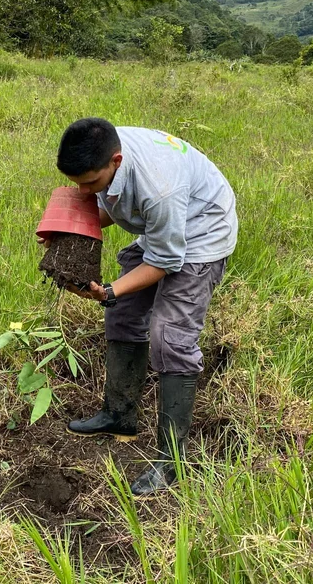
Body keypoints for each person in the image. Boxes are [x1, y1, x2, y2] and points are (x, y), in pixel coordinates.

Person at [50, 117, 237, 495]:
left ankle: (172, 462)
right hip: (163, 227)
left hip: (200, 231)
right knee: (123, 315)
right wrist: (67, 227)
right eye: (77, 183)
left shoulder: (158, 187)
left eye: (89, 183)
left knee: (170, 339)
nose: (83, 191)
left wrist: (111, 289)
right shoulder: (105, 150)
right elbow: (110, 208)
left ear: (115, 162)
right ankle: (119, 415)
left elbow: (167, 260)